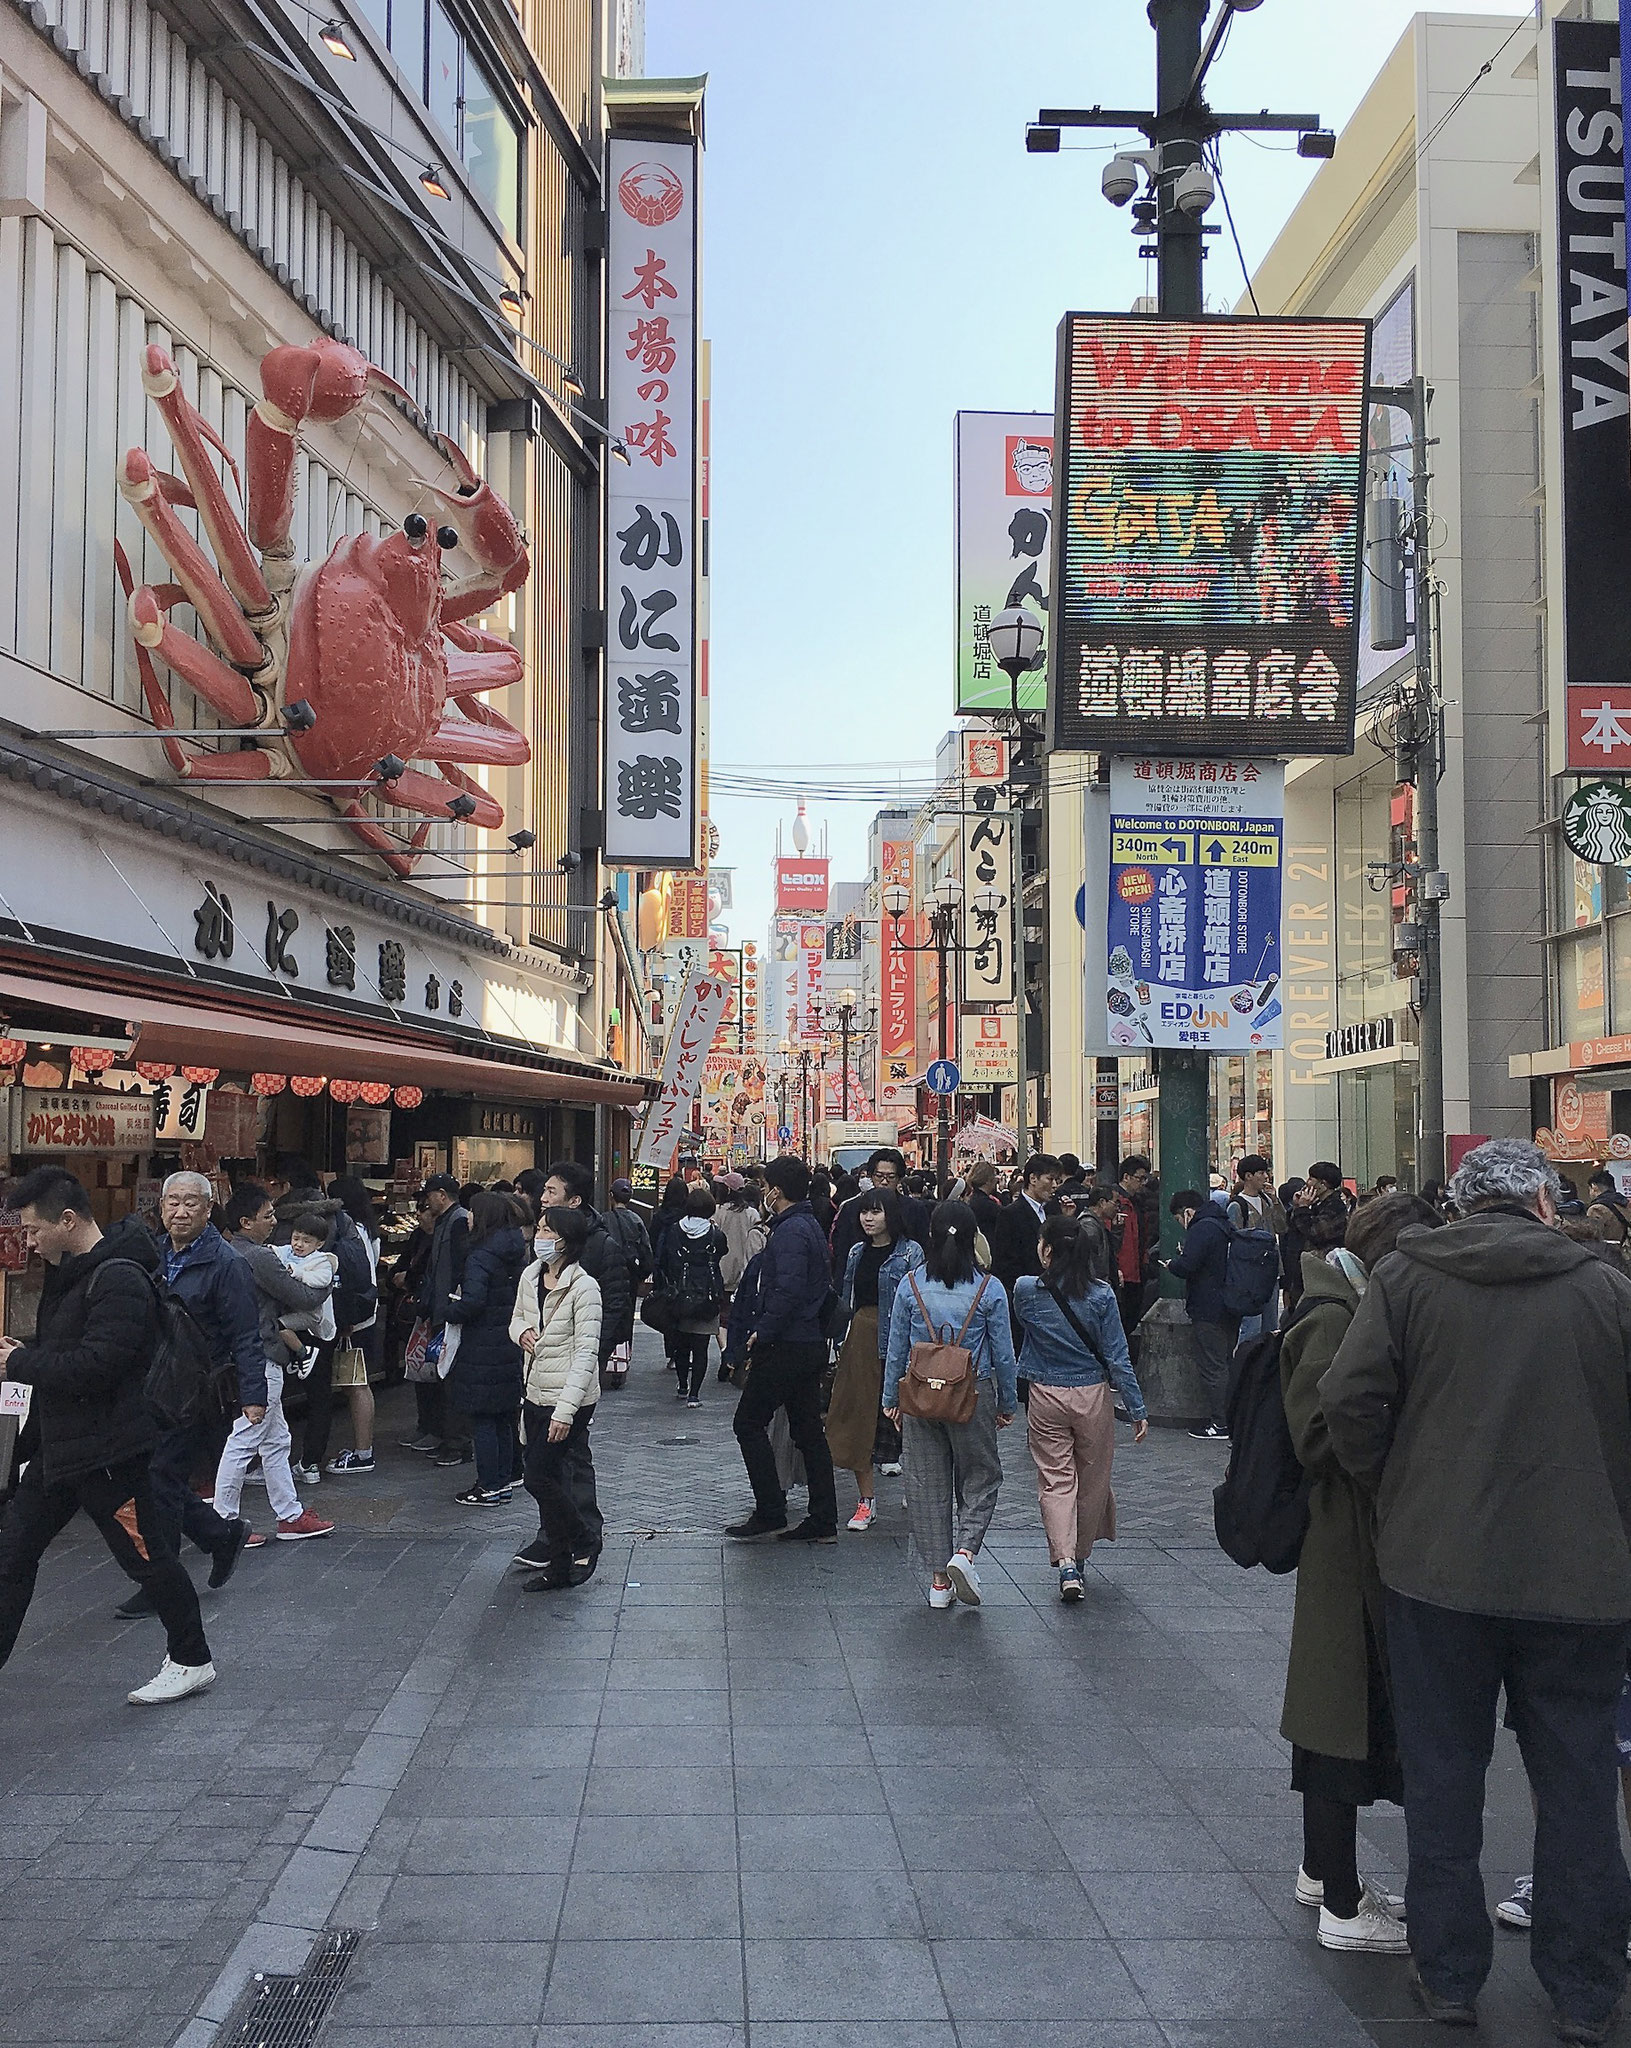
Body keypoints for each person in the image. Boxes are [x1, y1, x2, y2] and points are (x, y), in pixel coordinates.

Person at [1322, 1139, 1631, 2039]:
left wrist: (1398, 1492)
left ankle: (1449, 1974)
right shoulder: (1605, 1287)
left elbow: (1350, 1401)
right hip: (1583, 1576)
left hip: (1436, 1571)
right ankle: (1584, 1990)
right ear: (1543, 1201)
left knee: (1444, 1775)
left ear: (1459, 1205)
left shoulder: (1408, 1280)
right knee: (1576, 1781)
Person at [1279, 1192, 1440, 1959]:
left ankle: (1322, 1873)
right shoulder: (1335, 1315)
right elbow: (1318, 1431)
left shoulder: (1341, 1302)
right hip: (1347, 1540)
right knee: (1339, 1712)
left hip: (1352, 1538)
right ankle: (1339, 1899)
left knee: (1337, 1709)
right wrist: (1386, 1465)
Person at [0, 1168, 216, 1704]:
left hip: (111, 1452)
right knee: (13, 1552)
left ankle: (192, 1658)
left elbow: (101, 1364)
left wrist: (22, 1362)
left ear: (67, 1220)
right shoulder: (71, 1272)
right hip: (61, 1451)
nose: (27, 1242)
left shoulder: (118, 1276)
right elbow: (70, 1348)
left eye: (31, 1230)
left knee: (147, 1558)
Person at [127, 1170, 264, 1613]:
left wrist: (253, 1394)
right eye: (173, 1202)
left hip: (196, 1391)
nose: (181, 1211)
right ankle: (221, 1535)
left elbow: (246, 1333)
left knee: (158, 1478)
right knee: (156, 1479)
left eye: (191, 1203)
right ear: (161, 1206)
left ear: (208, 1210)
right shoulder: (153, 1253)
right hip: (152, 1384)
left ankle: (162, 1584)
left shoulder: (227, 1264)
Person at [883, 1200, 1019, 1608]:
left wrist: (891, 1397)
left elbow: (896, 1348)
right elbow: (1005, 1352)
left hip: (920, 1395)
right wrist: (1007, 1401)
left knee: (926, 1483)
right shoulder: (988, 1287)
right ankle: (966, 1551)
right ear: (975, 1238)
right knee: (982, 1475)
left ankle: (939, 1581)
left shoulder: (911, 1284)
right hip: (972, 1393)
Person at [1013, 1214, 1147, 1602]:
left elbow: (1024, 1326)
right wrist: (1136, 1407)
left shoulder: (1026, 1290)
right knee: (1092, 1480)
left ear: (1047, 1250)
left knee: (1055, 1479)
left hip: (1044, 1392)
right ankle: (1081, 1558)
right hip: (1091, 1393)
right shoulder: (1102, 1295)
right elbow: (1118, 1356)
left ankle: (1065, 1560)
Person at [727, 1155, 839, 1544]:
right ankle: (822, 1517)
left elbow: (787, 1290)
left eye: (767, 1185)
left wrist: (763, 1330)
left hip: (788, 1343)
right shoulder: (805, 1224)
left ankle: (771, 1508)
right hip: (806, 1342)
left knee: (748, 1421)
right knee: (808, 1429)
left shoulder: (791, 1231)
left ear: (777, 1189)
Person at [215, 1185, 334, 1544]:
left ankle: (289, 1515)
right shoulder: (259, 1257)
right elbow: (301, 1295)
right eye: (267, 1216)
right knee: (245, 1438)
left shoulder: (228, 1250)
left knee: (276, 1439)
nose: (273, 1222)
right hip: (261, 1353)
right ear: (245, 1222)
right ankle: (224, 1523)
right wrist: (330, 1276)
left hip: (243, 1351)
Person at [510, 1206, 602, 1589]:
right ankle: (561, 1564)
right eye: (540, 1228)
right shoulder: (531, 1275)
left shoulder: (584, 1287)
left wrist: (565, 1412)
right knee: (547, 1479)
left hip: (569, 1399)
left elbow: (586, 1354)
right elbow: (516, 1318)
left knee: (538, 1477)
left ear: (567, 1240)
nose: (540, 1235)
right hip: (534, 1390)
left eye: (548, 1229)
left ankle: (584, 1538)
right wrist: (521, 1334)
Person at [827, 1187, 923, 1531]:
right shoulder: (856, 1252)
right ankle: (866, 1501)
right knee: (858, 1419)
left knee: (910, 1418)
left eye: (876, 1212)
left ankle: (915, 1487)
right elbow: (847, 1298)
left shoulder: (911, 1253)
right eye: (865, 1212)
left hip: (903, 1339)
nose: (868, 1218)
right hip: (862, 1338)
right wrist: (841, 1339)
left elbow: (918, 1301)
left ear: (891, 1216)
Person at [443, 1191, 529, 1503]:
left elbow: (474, 1301)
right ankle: (504, 1479)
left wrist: (449, 1310)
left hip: (482, 1345)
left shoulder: (480, 1254)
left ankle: (490, 1485)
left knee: (483, 1418)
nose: (467, 1216)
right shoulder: (516, 1249)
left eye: (472, 1211)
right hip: (508, 1341)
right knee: (503, 1416)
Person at [538, 1160, 633, 1391]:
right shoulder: (540, 1240)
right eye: (544, 1190)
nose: (543, 1198)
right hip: (540, 1354)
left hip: (579, 1356)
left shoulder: (601, 1244)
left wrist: (593, 1351)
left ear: (574, 1201)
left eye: (552, 1192)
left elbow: (614, 1302)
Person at [400, 1174, 469, 1458]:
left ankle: (457, 1442)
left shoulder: (458, 1221)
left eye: (429, 1194)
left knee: (451, 1379)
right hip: (441, 1311)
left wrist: (452, 1307)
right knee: (443, 1377)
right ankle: (448, 1436)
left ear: (442, 1194)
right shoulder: (446, 1222)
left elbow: (458, 1269)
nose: (426, 1200)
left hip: (450, 1313)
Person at [1167, 1188, 1235, 1443]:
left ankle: (1220, 1423)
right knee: (1225, 1362)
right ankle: (1230, 1417)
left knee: (1213, 1366)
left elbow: (1188, 1265)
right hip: (1229, 1304)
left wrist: (1173, 1264)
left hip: (1208, 1307)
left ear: (1187, 1212)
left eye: (1178, 1220)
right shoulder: (1222, 1223)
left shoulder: (1202, 1227)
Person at [324, 1176, 380, 1473]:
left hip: (354, 1318)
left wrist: (345, 1318)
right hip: (366, 1312)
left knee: (356, 1383)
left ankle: (363, 1452)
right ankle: (363, 1449)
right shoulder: (368, 1230)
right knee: (359, 1382)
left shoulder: (349, 1233)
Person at [659, 1187, 728, 1406]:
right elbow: (722, 1252)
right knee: (701, 1348)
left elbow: (665, 1259)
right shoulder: (715, 1234)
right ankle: (694, 1395)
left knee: (681, 1345)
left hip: (679, 1296)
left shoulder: (673, 1230)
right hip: (706, 1295)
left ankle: (682, 1385)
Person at [987, 1153, 1063, 1344]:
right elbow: (1004, 1263)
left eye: (1057, 1180)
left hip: (1057, 1298)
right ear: (1033, 1179)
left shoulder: (1053, 1210)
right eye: (1051, 1179)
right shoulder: (1010, 1214)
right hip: (1028, 1301)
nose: (1055, 1186)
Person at [830, 1148, 931, 1270]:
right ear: (871, 1176)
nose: (884, 1182)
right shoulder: (851, 1208)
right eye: (879, 1176)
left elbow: (924, 1248)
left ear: (899, 1178)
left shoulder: (915, 1209)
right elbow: (841, 1250)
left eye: (891, 1177)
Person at [1229, 1154, 1288, 1338]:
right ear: (1248, 1176)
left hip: (1271, 1269)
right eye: (1261, 1173)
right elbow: (1233, 1240)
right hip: (1250, 1274)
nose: (1266, 1177)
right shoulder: (1237, 1206)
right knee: (1251, 1327)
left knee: (1270, 1325)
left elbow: (1282, 1226)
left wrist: (1276, 1201)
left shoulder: (1268, 1200)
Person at [1282, 1164, 1350, 1310]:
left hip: (1320, 1274)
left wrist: (1303, 1209)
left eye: (1312, 1179)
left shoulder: (1335, 1207)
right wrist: (1297, 1207)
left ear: (1323, 1184)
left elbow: (1315, 1232)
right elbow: (1292, 1231)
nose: (1307, 1182)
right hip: (1301, 1273)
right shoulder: (1316, 1204)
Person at [1111, 1155, 1154, 1347]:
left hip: (1136, 1271)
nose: (1143, 1183)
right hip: (1123, 1274)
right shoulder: (1115, 1203)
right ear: (1126, 1177)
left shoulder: (1137, 1202)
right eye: (1140, 1178)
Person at [1075, 1184, 1121, 1285]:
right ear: (1102, 1202)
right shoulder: (1089, 1225)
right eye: (1115, 1204)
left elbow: (1110, 1252)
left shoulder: (1098, 1223)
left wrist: (1117, 1230)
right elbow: (1090, 1262)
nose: (1118, 1209)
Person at [964, 1160, 1005, 1239]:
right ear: (988, 1181)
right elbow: (1006, 1217)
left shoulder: (971, 1199)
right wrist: (1004, 1192)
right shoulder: (988, 1205)